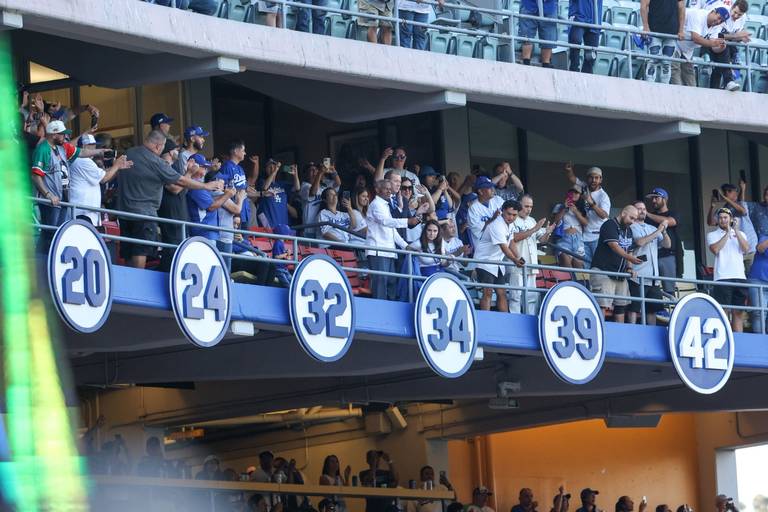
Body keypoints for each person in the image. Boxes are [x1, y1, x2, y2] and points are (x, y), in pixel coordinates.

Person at [117, 130, 222, 269]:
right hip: (144, 214)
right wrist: (206, 186)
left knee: (129, 252)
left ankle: (128, 284)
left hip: (124, 212)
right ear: (158, 146)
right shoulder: (154, 160)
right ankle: (136, 284)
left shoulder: (129, 153)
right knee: (140, 252)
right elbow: (180, 182)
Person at [31, 120, 110, 250]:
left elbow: (82, 153)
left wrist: (100, 151)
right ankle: (41, 260)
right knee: (49, 233)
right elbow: (35, 175)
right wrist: (48, 195)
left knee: (59, 233)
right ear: (53, 134)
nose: (65, 136)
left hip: (63, 199)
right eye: (62, 134)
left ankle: (51, 260)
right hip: (50, 201)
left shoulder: (63, 147)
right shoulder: (43, 149)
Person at [366, 180, 420, 300]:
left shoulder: (385, 205)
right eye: (386, 188)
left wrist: (406, 246)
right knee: (380, 284)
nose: (389, 191)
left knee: (391, 283)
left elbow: (392, 231)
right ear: (377, 190)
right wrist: (407, 221)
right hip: (378, 250)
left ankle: (390, 312)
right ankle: (379, 314)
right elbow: (386, 222)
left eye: (390, 189)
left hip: (389, 250)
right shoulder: (375, 204)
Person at [589, 205, 643, 323]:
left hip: (620, 274)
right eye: (631, 218)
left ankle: (621, 334)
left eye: (635, 219)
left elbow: (629, 250)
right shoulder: (609, 224)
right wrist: (630, 257)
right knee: (602, 305)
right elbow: (614, 245)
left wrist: (629, 267)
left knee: (621, 306)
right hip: (604, 271)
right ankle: (600, 332)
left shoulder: (628, 230)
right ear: (623, 213)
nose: (632, 222)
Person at [69, 134, 133, 225]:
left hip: (83, 210)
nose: (95, 148)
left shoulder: (81, 160)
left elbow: (101, 173)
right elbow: (103, 178)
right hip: (83, 211)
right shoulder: (83, 160)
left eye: (95, 145)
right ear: (84, 147)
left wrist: (117, 167)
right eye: (91, 146)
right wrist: (116, 165)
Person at [474, 200, 525, 312]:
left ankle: (505, 319)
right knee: (488, 292)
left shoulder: (510, 225)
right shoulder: (497, 224)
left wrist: (519, 256)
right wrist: (515, 260)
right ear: (502, 211)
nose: (511, 217)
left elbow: (510, 242)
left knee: (501, 293)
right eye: (509, 214)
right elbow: (504, 247)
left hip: (497, 263)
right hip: (484, 262)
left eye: (514, 215)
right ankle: (485, 319)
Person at [510, 194, 555, 314]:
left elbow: (542, 240)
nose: (529, 209)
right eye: (526, 206)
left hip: (531, 265)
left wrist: (548, 232)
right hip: (517, 264)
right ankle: (514, 321)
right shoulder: (512, 219)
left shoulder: (532, 221)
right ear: (519, 204)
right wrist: (534, 229)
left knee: (531, 297)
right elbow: (514, 238)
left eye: (531, 206)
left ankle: (528, 320)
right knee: (515, 296)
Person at [628, 200, 671, 325]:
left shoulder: (651, 227)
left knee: (652, 310)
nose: (642, 211)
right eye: (639, 208)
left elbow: (667, 245)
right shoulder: (631, 227)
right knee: (633, 309)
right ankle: (632, 332)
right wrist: (658, 231)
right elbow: (640, 242)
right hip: (637, 275)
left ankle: (650, 333)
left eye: (644, 208)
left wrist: (663, 231)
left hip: (653, 277)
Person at [707, 207, 749, 332]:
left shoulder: (741, 234)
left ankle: (738, 340)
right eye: (720, 218)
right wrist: (727, 233)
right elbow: (715, 249)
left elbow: (746, 249)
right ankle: (726, 340)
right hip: (722, 277)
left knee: (738, 312)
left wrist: (735, 230)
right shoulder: (712, 234)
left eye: (725, 217)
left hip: (740, 277)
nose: (723, 220)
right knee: (723, 311)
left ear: (731, 219)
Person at [565, 163, 610, 267]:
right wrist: (569, 170)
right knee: (586, 269)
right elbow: (573, 179)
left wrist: (592, 203)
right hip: (584, 236)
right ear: (587, 178)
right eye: (591, 177)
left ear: (600, 179)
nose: (594, 180)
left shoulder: (603, 196)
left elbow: (604, 215)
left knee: (598, 267)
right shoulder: (585, 187)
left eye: (596, 178)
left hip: (597, 237)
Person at [698, 0, 749, 91]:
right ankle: (728, 81)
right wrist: (736, 36)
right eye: (735, 12)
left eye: (739, 15)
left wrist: (741, 37)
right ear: (732, 7)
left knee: (723, 54)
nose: (736, 16)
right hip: (707, 41)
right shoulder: (723, 12)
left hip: (722, 47)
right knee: (724, 49)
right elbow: (716, 34)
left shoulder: (743, 18)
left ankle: (717, 88)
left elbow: (735, 34)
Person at [671, 7, 728, 86]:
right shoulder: (698, 15)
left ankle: (690, 97)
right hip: (675, 42)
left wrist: (721, 47)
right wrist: (713, 43)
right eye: (719, 18)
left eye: (721, 21)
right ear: (713, 12)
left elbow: (714, 48)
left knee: (690, 79)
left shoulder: (717, 26)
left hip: (688, 50)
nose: (718, 21)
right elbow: (696, 38)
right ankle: (677, 95)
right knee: (675, 72)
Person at [157, 139, 190, 272]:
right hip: (170, 215)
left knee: (179, 251)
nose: (178, 151)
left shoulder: (174, 167)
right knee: (172, 252)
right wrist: (189, 174)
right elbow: (174, 188)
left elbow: (183, 189)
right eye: (176, 149)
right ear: (171, 152)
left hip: (179, 215)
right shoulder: (162, 166)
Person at [645, 188, 682, 295]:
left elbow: (669, 222)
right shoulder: (649, 217)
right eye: (652, 198)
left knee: (669, 289)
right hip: (652, 255)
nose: (653, 201)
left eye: (656, 198)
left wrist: (647, 214)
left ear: (664, 199)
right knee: (650, 287)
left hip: (668, 255)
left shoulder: (674, 213)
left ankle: (670, 310)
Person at [639, 0, 685, 84]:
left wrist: (681, 30)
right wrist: (645, 26)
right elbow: (643, 5)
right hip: (654, 31)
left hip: (672, 32)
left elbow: (681, 8)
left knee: (667, 63)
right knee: (653, 61)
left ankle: (665, 88)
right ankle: (649, 87)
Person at [301, 160, 341, 238]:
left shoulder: (324, 185)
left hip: (324, 228)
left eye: (315, 170)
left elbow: (338, 183)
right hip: (310, 228)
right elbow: (313, 192)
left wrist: (333, 171)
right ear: (306, 174)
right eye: (311, 170)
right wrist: (320, 173)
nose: (314, 172)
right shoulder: (304, 186)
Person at [551, 185, 588, 269]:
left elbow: (586, 223)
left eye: (576, 192)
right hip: (564, 239)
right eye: (572, 191)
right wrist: (564, 208)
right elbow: (555, 222)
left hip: (578, 240)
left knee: (579, 272)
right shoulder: (559, 206)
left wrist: (575, 211)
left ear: (580, 195)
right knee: (567, 268)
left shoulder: (582, 208)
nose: (574, 194)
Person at [258, 159, 301, 228]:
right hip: (268, 221)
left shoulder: (282, 184)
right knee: (269, 237)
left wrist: (295, 175)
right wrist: (275, 171)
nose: (272, 169)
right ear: (265, 169)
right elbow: (265, 188)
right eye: (269, 167)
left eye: (274, 166)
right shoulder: (262, 181)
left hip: (282, 222)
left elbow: (297, 188)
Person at [568, 0, 603, 73]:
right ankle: (574, 70)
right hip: (578, 16)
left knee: (591, 52)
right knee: (575, 41)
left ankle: (586, 74)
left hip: (595, 19)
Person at [519, 0, 557, 67]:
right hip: (529, 5)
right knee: (527, 36)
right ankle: (525, 65)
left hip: (549, 6)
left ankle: (546, 66)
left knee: (548, 39)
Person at [468, 177, 506, 244]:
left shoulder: (498, 200)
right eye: (489, 187)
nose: (492, 189)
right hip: (484, 249)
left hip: (500, 246)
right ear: (480, 191)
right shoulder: (473, 208)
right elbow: (479, 231)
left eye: (492, 187)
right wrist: (493, 219)